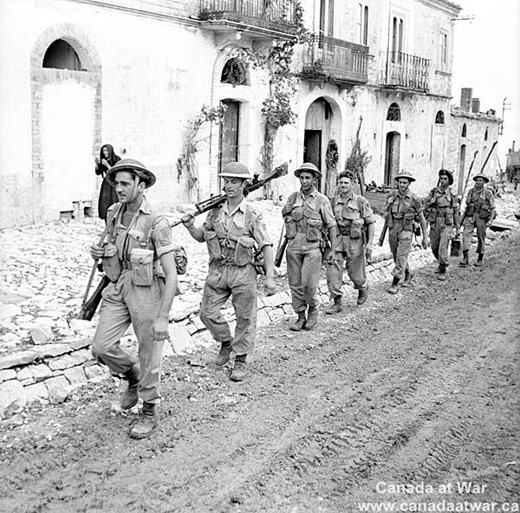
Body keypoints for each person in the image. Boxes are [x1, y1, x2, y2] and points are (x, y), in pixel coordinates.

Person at [90, 158, 177, 439]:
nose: (118, 188)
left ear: (141, 185)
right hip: (119, 285)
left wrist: (163, 317)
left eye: (125, 183)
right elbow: (110, 246)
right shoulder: (113, 213)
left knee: (149, 351)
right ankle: (132, 375)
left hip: (147, 289)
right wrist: (99, 252)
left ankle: (149, 410)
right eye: (116, 183)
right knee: (101, 347)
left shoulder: (157, 222)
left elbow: (171, 274)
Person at [182, 162, 276, 382]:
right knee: (206, 312)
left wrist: (270, 278)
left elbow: (266, 245)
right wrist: (189, 226)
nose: (229, 185)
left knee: (245, 317)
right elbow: (200, 236)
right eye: (226, 181)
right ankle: (226, 341)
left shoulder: (253, 214)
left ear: (244, 185)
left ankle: (241, 359)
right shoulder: (215, 211)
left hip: (243, 271)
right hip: (217, 270)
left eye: (234, 181)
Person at [282, 162, 336, 331]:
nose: (304, 181)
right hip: (293, 247)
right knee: (295, 284)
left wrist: (333, 249)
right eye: (302, 178)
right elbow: (285, 216)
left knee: (309, 285)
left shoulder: (322, 200)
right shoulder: (293, 198)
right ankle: (300, 316)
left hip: (313, 247)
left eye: (308, 178)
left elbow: (332, 225)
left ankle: (313, 309)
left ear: (314, 180)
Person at [325, 170, 375, 313]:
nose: (343, 185)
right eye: (340, 182)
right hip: (337, 240)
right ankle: (337, 302)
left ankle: (362, 287)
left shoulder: (360, 201)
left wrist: (370, 243)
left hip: (355, 242)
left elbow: (370, 222)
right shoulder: (333, 202)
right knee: (333, 271)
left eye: (346, 182)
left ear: (352, 184)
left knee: (355, 274)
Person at [383, 171, 429, 294]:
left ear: (409, 184)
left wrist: (425, 237)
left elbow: (422, 219)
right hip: (393, 228)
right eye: (400, 182)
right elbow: (385, 212)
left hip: (406, 230)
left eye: (405, 182)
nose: (402, 185)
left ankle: (395, 283)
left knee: (401, 256)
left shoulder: (415, 199)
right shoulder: (391, 196)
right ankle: (408, 273)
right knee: (396, 255)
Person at [424, 169, 461, 281]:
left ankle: (444, 267)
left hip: (447, 223)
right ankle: (440, 263)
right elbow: (425, 205)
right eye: (441, 178)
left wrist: (457, 227)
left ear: (449, 180)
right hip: (435, 222)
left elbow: (455, 212)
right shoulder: (434, 191)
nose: (443, 181)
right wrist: (432, 201)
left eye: (445, 179)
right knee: (434, 247)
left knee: (442, 246)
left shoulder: (452, 194)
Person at [459, 173, 496, 267]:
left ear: (484, 182)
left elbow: (492, 208)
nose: (478, 182)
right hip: (470, 216)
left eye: (480, 180)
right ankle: (465, 258)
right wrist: (460, 221)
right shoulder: (471, 191)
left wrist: (490, 220)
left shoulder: (488, 193)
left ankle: (480, 258)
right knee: (466, 235)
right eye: (477, 180)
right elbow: (467, 206)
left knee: (481, 237)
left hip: (481, 217)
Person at [95, 144, 121, 222]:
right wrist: (97, 164)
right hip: (106, 184)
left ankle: (115, 226)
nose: (105, 153)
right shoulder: (103, 159)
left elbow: (116, 172)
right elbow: (98, 172)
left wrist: (107, 164)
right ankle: (107, 227)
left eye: (107, 151)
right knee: (104, 204)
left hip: (115, 184)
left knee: (114, 203)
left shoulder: (117, 159)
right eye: (104, 151)